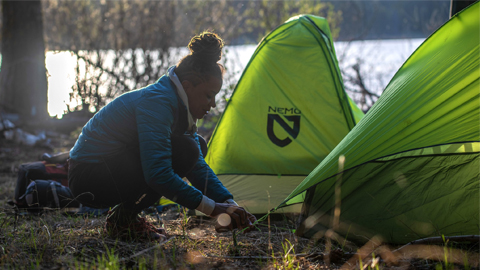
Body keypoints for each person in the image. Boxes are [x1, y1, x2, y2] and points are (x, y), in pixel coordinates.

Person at [68, 31, 256, 241]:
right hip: (89, 178)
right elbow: (158, 174)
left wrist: (229, 204)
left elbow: (198, 167)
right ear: (187, 87)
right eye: (208, 95)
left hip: (107, 168)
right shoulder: (158, 103)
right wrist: (213, 209)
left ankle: (123, 218)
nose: (212, 104)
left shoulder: (175, 101)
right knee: (186, 151)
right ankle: (123, 222)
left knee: (196, 149)